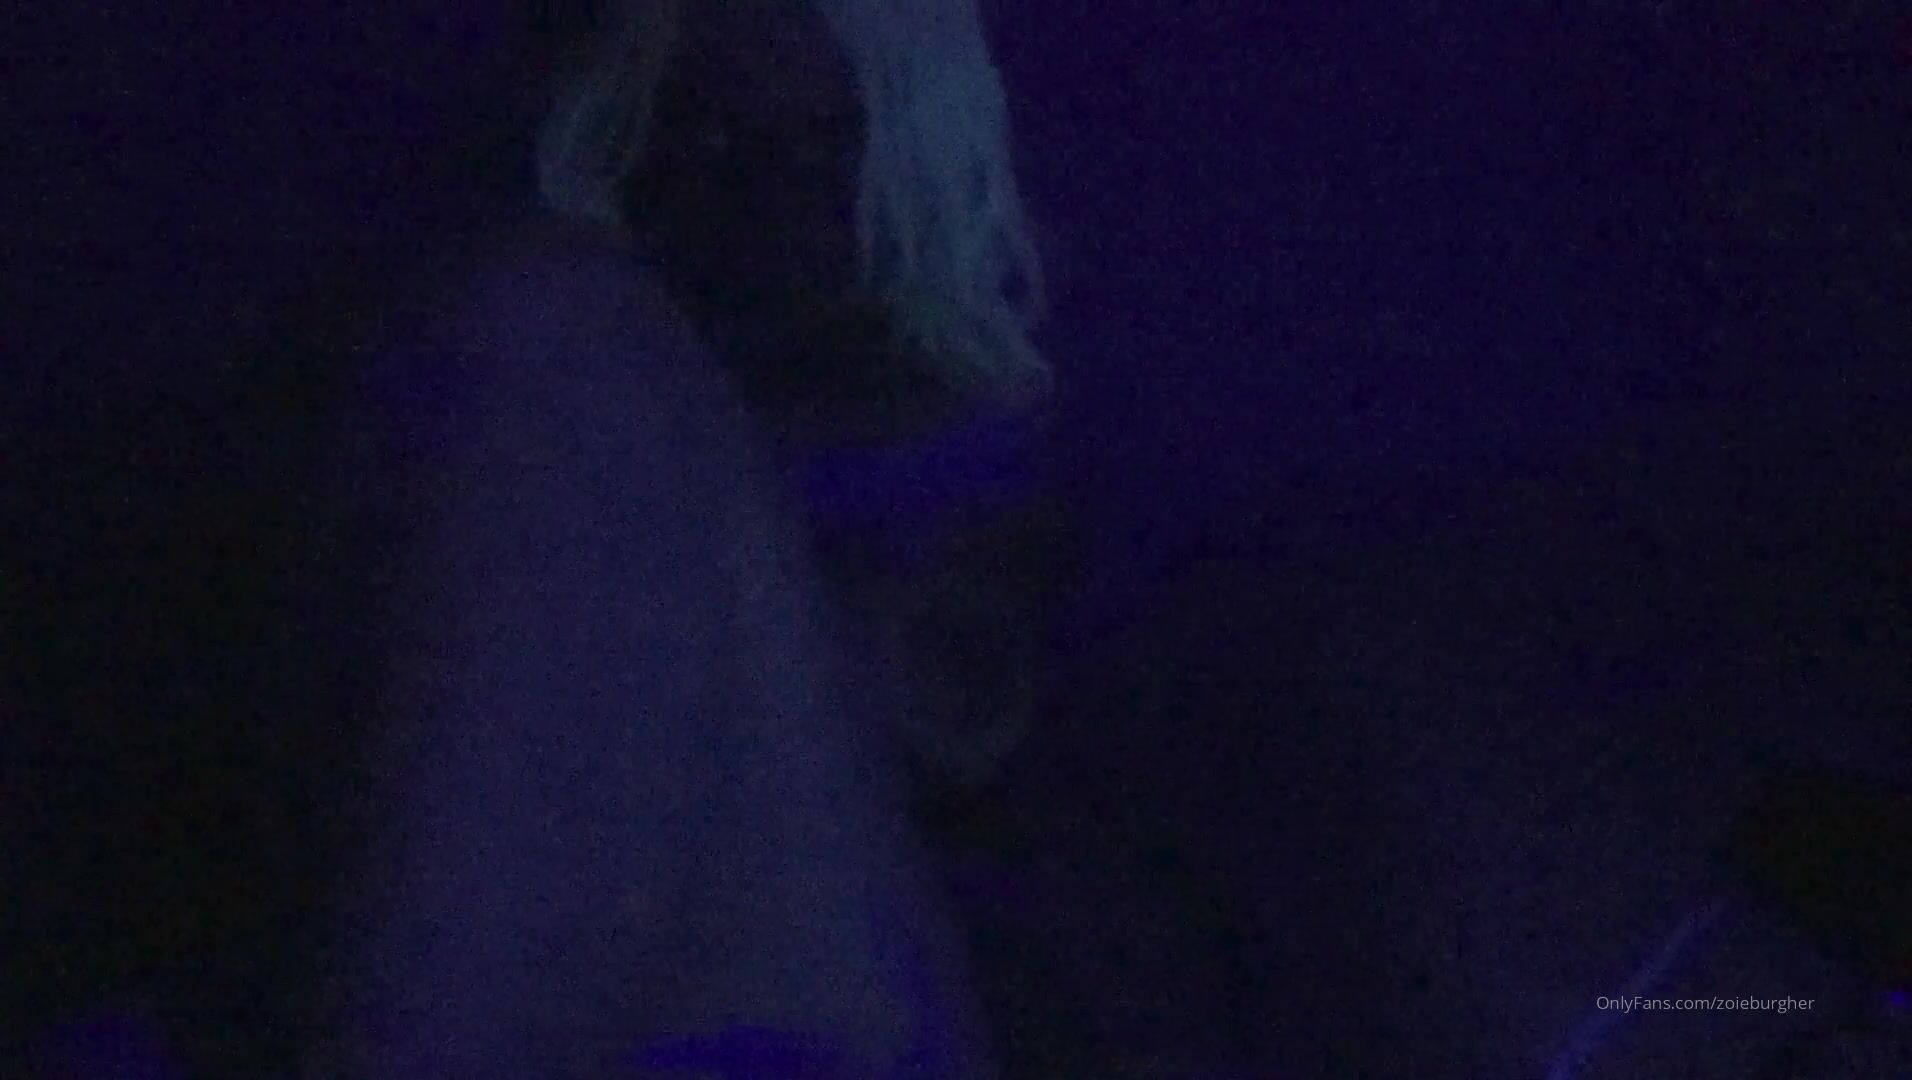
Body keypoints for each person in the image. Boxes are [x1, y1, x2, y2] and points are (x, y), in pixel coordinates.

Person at [13, 1, 1056, 1077]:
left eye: (828, 145)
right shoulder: (503, 416)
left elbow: (956, 726)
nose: (770, 197)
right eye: (707, 139)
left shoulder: (937, 459)